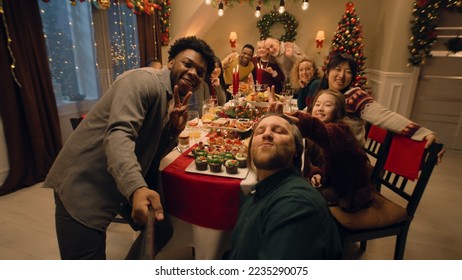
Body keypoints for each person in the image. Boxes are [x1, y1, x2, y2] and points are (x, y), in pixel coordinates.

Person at [43, 36, 216, 260]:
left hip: (117, 181)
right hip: (83, 184)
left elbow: (149, 153)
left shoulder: (171, 97)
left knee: (161, 229)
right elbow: (119, 135)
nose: (194, 73)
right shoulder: (144, 82)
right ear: (171, 62)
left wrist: (172, 130)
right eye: (188, 64)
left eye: (200, 72)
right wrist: (136, 188)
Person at [227, 113, 342, 259]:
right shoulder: (261, 190)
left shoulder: (295, 204)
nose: (267, 134)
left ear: (296, 151)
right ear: (250, 149)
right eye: (260, 131)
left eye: (279, 131)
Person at [309, 53, 444, 162]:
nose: (342, 75)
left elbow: (385, 116)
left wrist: (423, 133)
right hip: (322, 152)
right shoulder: (323, 92)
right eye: (337, 69)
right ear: (327, 73)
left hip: (346, 159)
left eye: (348, 71)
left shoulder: (356, 96)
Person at [271, 89, 374, 212]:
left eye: (328, 105)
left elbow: (317, 129)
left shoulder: (340, 132)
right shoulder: (316, 136)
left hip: (351, 193)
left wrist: (285, 118)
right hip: (334, 183)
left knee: (295, 198)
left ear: (338, 111)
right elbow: (324, 164)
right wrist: (317, 173)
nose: (320, 108)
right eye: (317, 104)